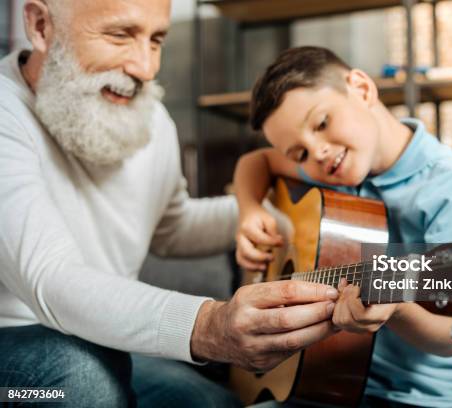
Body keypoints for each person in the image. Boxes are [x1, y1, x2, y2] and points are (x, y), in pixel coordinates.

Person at [0, 2, 339, 407]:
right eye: (120, 35)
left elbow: (171, 227)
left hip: (100, 342)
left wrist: (263, 212)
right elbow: (50, 277)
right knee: (80, 381)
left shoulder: (150, 118)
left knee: (216, 403)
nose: (145, 68)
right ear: (41, 26)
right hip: (17, 358)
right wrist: (209, 325)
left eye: (156, 39)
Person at [233, 46, 452, 407]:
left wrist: (398, 308)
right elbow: (256, 161)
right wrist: (249, 210)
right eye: (300, 154)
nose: (318, 153)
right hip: (351, 387)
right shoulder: (335, 172)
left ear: (360, 88)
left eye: (322, 123)